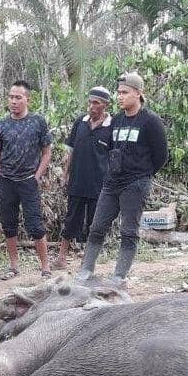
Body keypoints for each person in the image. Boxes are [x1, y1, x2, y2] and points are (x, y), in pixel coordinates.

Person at [76, 72, 168, 287]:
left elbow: (161, 156)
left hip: (135, 183)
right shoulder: (116, 120)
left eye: (124, 93)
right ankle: (86, 269)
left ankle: (119, 276)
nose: (120, 97)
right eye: (118, 93)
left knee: (128, 231)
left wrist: (144, 174)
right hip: (112, 182)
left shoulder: (151, 121)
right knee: (97, 226)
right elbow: (109, 149)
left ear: (138, 94)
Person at [0, 80, 53, 279]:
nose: (14, 101)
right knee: (8, 223)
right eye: (11, 97)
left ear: (28, 99)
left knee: (35, 224)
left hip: (28, 181)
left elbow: (46, 153)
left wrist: (36, 176)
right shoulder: (1, 124)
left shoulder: (38, 122)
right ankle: (13, 266)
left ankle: (45, 267)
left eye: (18, 97)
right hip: (7, 182)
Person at [53, 86, 113, 270]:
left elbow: (114, 156)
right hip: (77, 181)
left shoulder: (112, 127)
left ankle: (88, 261)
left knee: (95, 223)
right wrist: (66, 173)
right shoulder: (80, 122)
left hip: (99, 184)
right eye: (90, 102)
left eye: (96, 103)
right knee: (71, 219)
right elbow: (71, 150)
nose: (91, 106)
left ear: (105, 105)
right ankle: (61, 258)